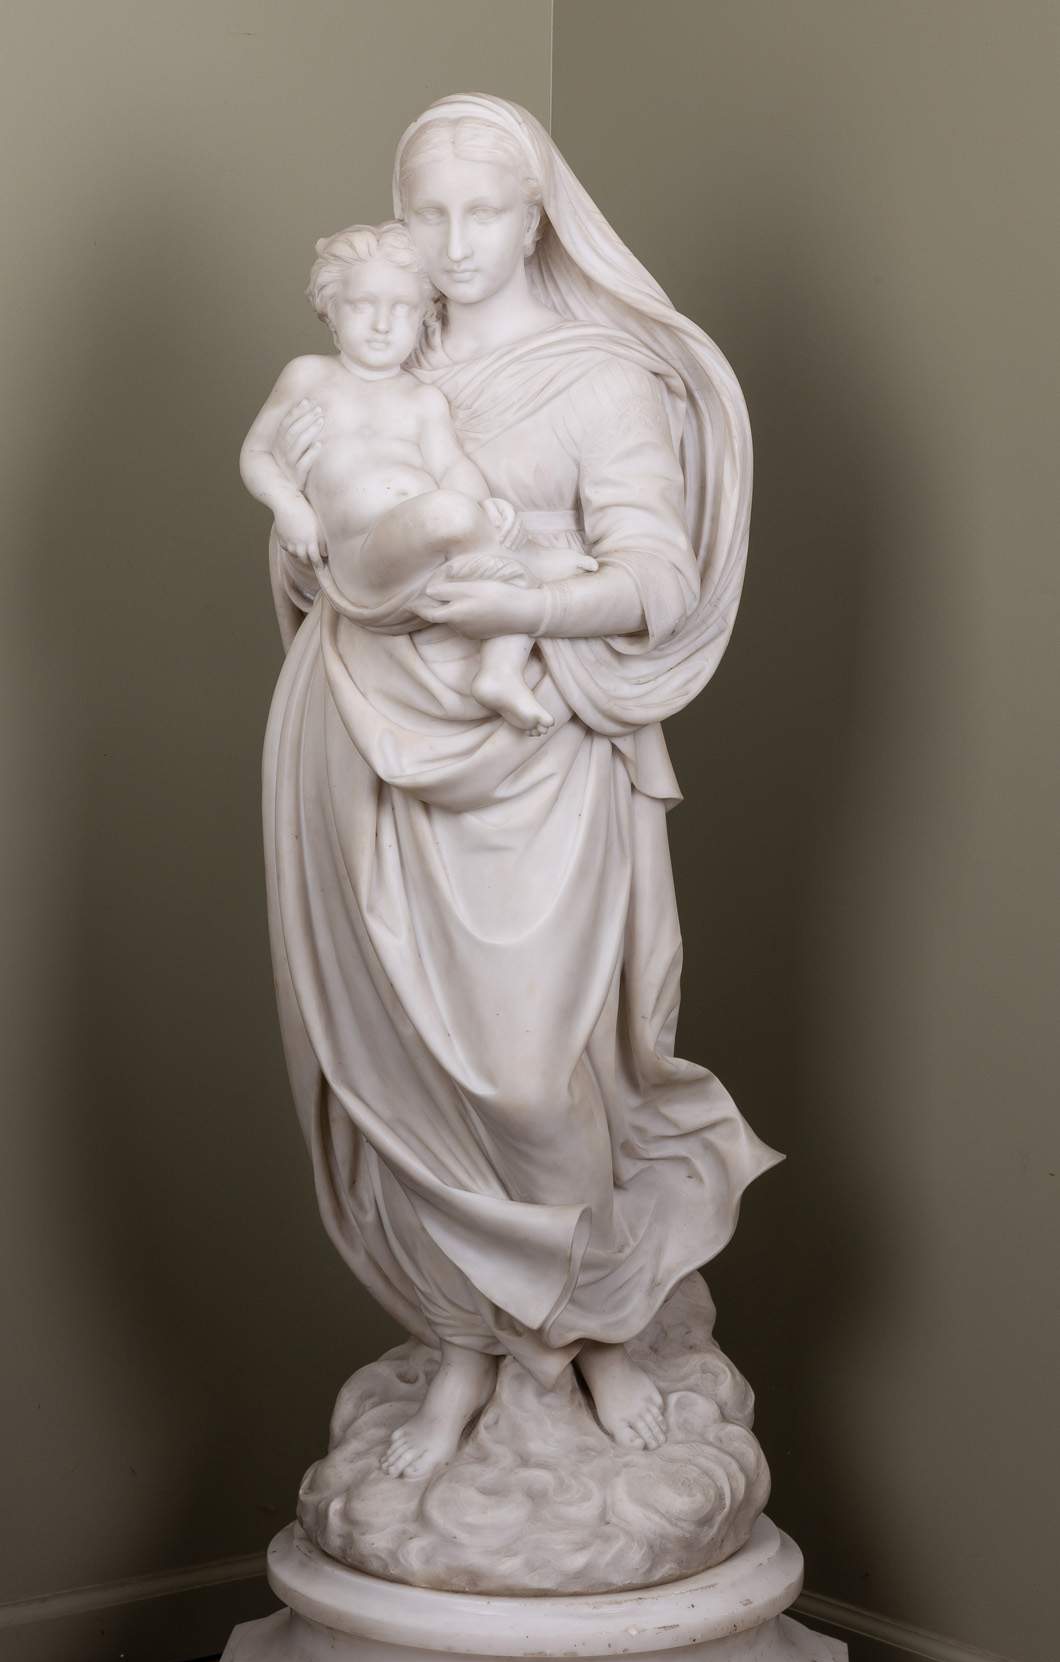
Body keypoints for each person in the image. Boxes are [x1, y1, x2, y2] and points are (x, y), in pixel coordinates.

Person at [263, 95, 781, 1483]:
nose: (452, 241)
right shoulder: (373, 354)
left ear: (537, 214)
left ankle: (594, 1327)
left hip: (535, 751)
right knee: (401, 1068)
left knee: (542, 1076)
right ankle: (466, 1346)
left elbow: (658, 574)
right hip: (363, 734)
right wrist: (310, 550)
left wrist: (531, 600)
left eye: (482, 211)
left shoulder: (600, 376)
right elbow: (309, 539)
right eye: (425, 211)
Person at [240, 222, 593, 736]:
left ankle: (499, 669)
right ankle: (524, 568)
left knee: (469, 534)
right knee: (450, 515)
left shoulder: (423, 399)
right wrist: (289, 506)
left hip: (424, 552)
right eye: (363, 305)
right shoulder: (309, 375)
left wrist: (485, 506)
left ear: (425, 315)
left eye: (403, 309)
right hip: (362, 560)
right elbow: (256, 453)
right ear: (331, 309)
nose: (383, 324)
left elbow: (453, 468)